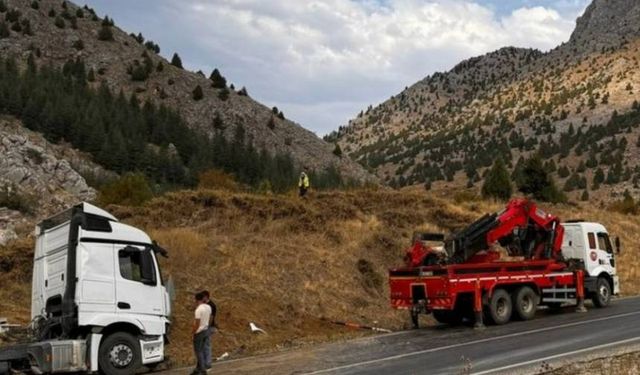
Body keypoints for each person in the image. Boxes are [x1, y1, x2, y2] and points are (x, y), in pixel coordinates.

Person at [191, 292, 211, 375]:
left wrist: (193, 333)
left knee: (198, 351)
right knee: (202, 350)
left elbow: (197, 324)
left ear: (196, 300)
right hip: (206, 330)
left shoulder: (198, 310)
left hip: (199, 332)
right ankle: (198, 369)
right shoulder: (208, 307)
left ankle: (203, 370)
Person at [202, 290, 218, 369]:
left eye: (203, 297)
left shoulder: (211, 305)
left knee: (206, 345)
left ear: (206, 296)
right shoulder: (204, 305)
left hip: (208, 327)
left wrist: (207, 326)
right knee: (203, 345)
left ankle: (207, 363)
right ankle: (205, 362)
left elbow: (211, 317)